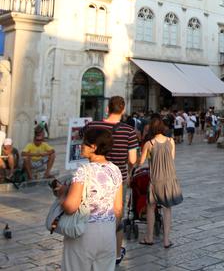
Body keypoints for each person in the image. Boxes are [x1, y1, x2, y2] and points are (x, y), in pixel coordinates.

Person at [58, 127, 123, 271]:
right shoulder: (115, 170)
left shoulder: (83, 171)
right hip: (108, 232)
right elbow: (118, 208)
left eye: (85, 143)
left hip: (84, 231)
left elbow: (70, 206)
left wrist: (62, 194)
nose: (81, 145)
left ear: (94, 147)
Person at [86, 96, 139, 266]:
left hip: (93, 176)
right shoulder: (129, 131)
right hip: (118, 178)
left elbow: (82, 147)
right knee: (116, 214)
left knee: (92, 212)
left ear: (107, 108)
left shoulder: (92, 126)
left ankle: (91, 250)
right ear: (123, 110)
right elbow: (132, 159)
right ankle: (115, 254)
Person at [138, 118, 183, 248]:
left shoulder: (149, 144)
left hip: (155, 179)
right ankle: (166, 240)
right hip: (169, 178)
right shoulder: (171, 141)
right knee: (167, 209)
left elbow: (141, 162)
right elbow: (172, 158)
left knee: (151, 207)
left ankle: (149, 237)